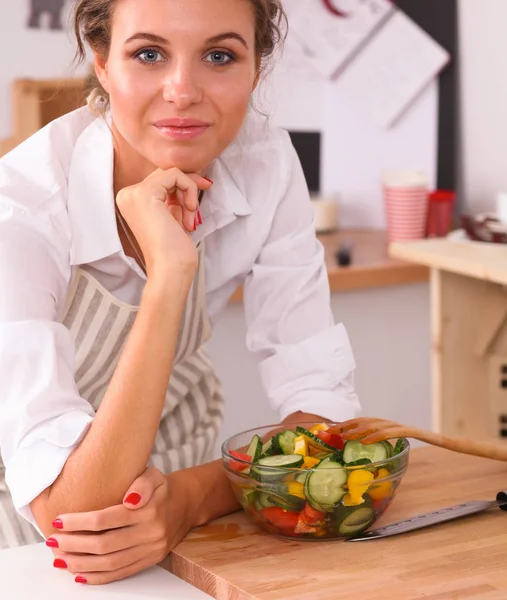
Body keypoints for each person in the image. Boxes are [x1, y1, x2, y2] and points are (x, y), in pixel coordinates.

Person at [0, 0, 360, 585]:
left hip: (180, 484)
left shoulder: (265, 162)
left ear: (256, 71)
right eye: (148, 54)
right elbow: (72, 509)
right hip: (33, 521)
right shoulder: (19, 211)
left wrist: (194, 495)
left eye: (219, 56)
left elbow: (323, 402)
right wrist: (169, 273)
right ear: (102, 63)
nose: (183, 90)